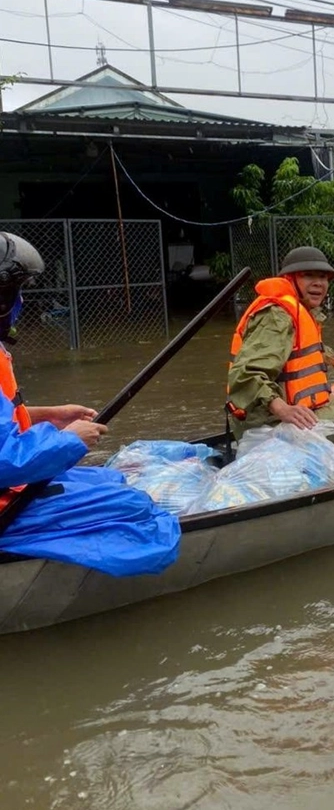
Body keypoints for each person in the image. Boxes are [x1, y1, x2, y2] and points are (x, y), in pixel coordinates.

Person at [0, 232, 180, 576]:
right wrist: (70, 439)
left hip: (11, 488)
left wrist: (50, 416)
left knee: (109, 480)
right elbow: (4, 460)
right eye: (15, 292)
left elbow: (3, 420)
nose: (21, 302)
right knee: (136, 508)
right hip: (6, 503)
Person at [225, 246, 334, 477]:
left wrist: (330, 357)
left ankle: (322, 466)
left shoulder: (296, 311)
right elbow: (245, 374)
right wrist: (282, 408)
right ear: (290, 279)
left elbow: (296, 350)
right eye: (308, 276)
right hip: (268, 427)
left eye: (323, 277)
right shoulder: (277, 316)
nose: (318, 283)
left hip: (272, 420)